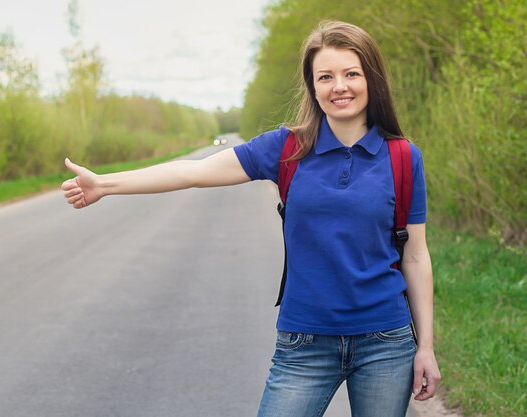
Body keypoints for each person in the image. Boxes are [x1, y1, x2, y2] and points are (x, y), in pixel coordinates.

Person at [61, 20, 441, 417]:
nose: (338, 86)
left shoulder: (401, 157)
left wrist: (426, 347)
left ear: (371, 79)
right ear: (312, 86)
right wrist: (104, 184)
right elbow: (192, 172)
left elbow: (415, 256)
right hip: (304, 342)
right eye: (325, 76)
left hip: (385, 342)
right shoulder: (287, 148)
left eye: (351, 74)